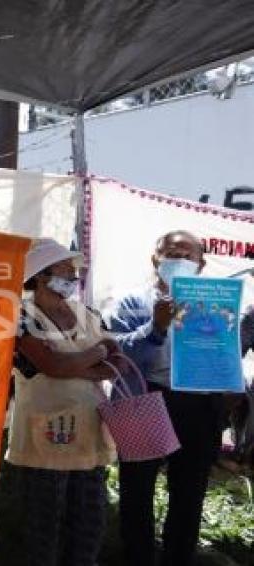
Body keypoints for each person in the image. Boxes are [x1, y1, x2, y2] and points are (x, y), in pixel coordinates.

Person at [104, 230, 223, 566]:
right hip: (146, 399)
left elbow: (226, 353)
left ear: (201, 263)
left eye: (188, 254)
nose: (179, 259)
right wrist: (155, 327)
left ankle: (178, 558)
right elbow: (118, 354)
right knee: (137, 492)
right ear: (155, 259)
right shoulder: (130, 301)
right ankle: (138, 557)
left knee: (190, 494)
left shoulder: (217, 304)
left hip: (198, 405)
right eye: (171, 252)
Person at [6, 238, 120, 566]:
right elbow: (53, 367)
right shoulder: (20, 315)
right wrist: (95, 355)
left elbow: (117, 360)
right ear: (41, 274)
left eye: (73, 269)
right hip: (44, 441)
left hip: (90, 437)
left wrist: (79, 364)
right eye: (64, 268)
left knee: (88, 527)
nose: (73, 273)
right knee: (43, 531)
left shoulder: (88, 313)